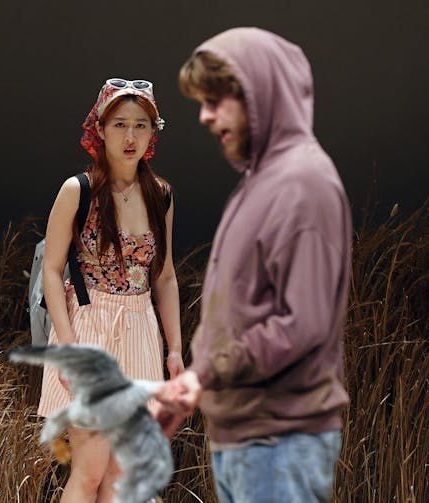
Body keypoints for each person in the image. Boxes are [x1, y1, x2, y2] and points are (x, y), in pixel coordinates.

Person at [153, 27, 352, 503]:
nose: (204, 116)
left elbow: (301, 324)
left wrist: (203, 374)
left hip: (279, 443)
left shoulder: (303, 183)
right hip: (248, 440)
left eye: (216, 100)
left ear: (260, 94)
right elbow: (246, 315)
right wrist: (193, 386)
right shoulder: (261, 182)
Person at [37, 78, 184, 503]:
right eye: (120, 124)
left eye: (142, 125)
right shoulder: (77, 190)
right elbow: (51, 271)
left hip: (140, 328)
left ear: (153, 132)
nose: (131, 136)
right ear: (99, 129)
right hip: (89, 329)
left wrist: (174, 349)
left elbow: (165, 276)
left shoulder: (161, 194)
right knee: (89, 470)